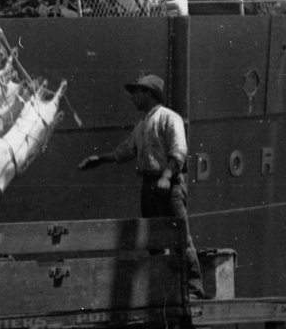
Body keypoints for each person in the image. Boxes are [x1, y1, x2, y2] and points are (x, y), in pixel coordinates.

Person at [79, 72, 206, 297]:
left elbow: (179, 152)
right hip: (149, 185)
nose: (132, 98)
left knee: (180, 237)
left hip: (170, 186)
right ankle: (167, 287)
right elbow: (125, 151)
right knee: (154, 239)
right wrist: (100, 160)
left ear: (149, 93)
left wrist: (166, 177)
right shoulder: (142, 124)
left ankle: (193, 288)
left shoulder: (169, 118)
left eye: (136, 92)